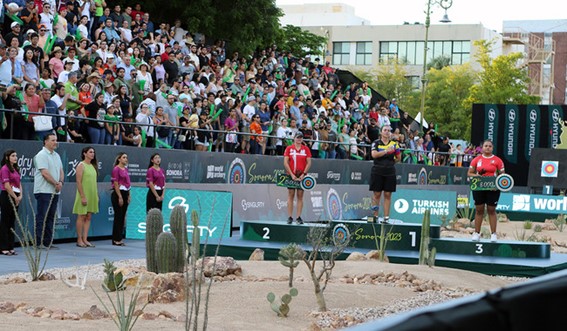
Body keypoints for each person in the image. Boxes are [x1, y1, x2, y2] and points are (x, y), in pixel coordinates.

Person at [467, 139, 505, 242]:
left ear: (492, 148)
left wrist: (496, 184)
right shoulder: (476, 160)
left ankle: (493, 234)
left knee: (491, 210)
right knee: (479, 210)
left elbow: (502, 175)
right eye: (485, 146)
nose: (487, 147)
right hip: (479, 187)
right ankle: (477, 233)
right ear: (482, 148)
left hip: (493, 188)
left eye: (490, 146)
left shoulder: (498, 160)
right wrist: (477, 176)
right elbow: (469, 173)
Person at [33, 133, 64, 249]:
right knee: (42, 217)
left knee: (51, 217)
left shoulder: (57, 155)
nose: (55, 142)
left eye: (56, 140)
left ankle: (47, 242)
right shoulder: (41, 155)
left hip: (55, 191)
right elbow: (45, 173)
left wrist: (60, 182)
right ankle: (38, 243)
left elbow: (61, 171)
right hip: (43, 190)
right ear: (45, 141)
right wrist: (56, 183)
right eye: (52, 140)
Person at [370, 125, 401, 223]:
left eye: (389, 130)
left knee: (387, 194)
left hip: (390, 172)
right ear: (381, 132)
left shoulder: (394, 144)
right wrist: (386, 151)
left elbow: (398, 158)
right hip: (377, 171)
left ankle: (386, 218)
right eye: (385, 130)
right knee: (377, 194)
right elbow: (374, 155)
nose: (387, 132)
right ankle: (375, 217)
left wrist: (390, 163)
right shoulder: (376, 143)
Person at [72, 147, 99, 248]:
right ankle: (79, 240)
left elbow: (94, 182)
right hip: (83, 194)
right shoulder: (81, 165)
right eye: (90, 152)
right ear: (84, 153)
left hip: (92, 195)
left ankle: (85, 239)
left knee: (88, 216)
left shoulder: (93, 166)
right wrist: (82, 196)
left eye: (93, 152)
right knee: (81, 216)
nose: (92, 154)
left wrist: (96, 195)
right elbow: (78, 181)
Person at [283, 132, 312, 225]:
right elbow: (285, 162)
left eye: (300, 138)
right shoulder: (289, 148)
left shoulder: (306, 149)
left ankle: (298, 217)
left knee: (300, 196)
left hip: (301, 176)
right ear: (294, 138)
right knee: (290, 195)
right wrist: (291, 174)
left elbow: (309, 163)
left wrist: (303, 174)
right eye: (297, 137)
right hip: (291, 175)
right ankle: (290, 217)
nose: (299, 139)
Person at [0, 150, 22, 256]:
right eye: (13, 156)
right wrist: (14, 197)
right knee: (5, 221)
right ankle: (3, 247)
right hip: (7, 196)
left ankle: (11, 246)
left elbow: (19, 183)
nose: (15, 157)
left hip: (16, 196)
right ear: (7, 157)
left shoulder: (16, 169)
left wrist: (20, 195)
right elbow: (7, 185)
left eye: (16, 155)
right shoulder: (4, 169)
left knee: (12, 221)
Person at [111, 152, 131, 246]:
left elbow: (128, 183)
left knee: (122, 217)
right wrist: (119, 197)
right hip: (118, 193)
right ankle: (116, 239)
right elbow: (115, 183)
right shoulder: (116, 169)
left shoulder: (126, 169)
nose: (125, 159)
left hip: (125, 193)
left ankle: (120, 237)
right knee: (118, 216)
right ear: (119, 159)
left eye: (126, 157)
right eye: (123, 157)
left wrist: (128, 195)